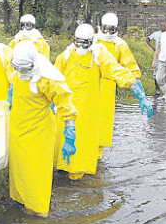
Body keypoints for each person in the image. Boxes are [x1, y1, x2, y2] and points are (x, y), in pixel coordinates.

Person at [54, 23, 153, 181]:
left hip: (87, 110)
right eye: (78, 42)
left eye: (84, 43)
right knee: (60, 143)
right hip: (66, 107)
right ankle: (60, 172)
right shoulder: (66, 54)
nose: (81, 46)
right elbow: (53, 78)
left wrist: (139, 94)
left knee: (81, 147)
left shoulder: (100, 55)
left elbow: (118, 72)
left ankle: (77, 182)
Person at [9, 41, 77, 217]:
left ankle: (38, 210)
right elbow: (15, 85)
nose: (21, 73)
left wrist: (70, 135)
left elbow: (66, 105)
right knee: (20, 169)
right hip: (18, 130)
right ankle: (23, 201)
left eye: (25, 69)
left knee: (36, 173)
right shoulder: (18, 72)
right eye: (19, 69)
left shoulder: (47, 80)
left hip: (39, 134)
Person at [95, 12, 144, 159]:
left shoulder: (120, 45)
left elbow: (131, 68)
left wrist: (140, 94)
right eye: (105, 28)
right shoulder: (92, 41)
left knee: (103, 123)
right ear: (100, 27)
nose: (108, 32)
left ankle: (97, 158)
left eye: (111, 29)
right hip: (88, 86)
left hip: (108, 89)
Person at [146, 21, 166, 95]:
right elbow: (147, 39)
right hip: (158, 56)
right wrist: (153, 47)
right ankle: (157, 89)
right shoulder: (156, 34)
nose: (162, 27)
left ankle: (165, 89)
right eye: (161, 26)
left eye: (164, 26)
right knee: (156, 72)